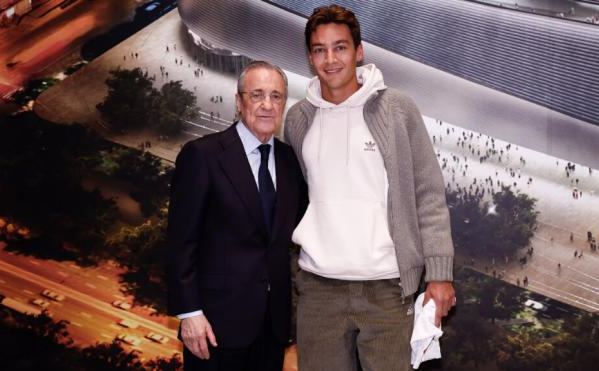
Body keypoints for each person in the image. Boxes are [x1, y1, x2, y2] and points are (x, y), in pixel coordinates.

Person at [284, 5, 455, 370]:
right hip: (318, 291)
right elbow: (299, 198)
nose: (330, 59)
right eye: (320, 49)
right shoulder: (298, 119)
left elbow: (428, 193)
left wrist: (439, 274)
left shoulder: (397, 109)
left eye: (340, 47)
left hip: (389, 291)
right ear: (310, 57)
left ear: (359, 51)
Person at [167, 61, 307, 371]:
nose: (267, 105)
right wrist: (189, 314)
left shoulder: (290, 162)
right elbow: (180, 242)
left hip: (272, 327)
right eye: (257, 95)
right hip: (214, 327)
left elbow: (295, 227)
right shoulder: (202, 156)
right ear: (239, 101)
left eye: (276, 96)